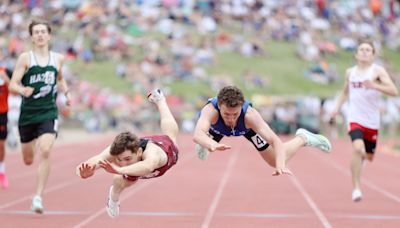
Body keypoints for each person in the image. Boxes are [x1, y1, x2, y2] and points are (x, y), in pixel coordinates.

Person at [76, 89, 179, 218]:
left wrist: (119, 169)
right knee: (120, 180)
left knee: (171, 135)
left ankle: (161, 100)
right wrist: (83, 172)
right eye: (120, 159)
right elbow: (93, 161)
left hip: (167, 152)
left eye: (128, 158)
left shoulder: (154, 153)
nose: (124, 162)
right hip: (133, 159)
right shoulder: (117, 150)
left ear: (139, 152)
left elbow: (147, 167)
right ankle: (113, 198)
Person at [193, 85, 332, 176]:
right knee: (201, 150)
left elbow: (275, 140)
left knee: (273, 160)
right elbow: (197, 133)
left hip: (245, 129)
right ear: (220, 106)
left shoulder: (250, 116)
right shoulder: (211, 111)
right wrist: (211, 144)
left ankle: (303, 138)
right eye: (226, 114)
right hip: (215, 128)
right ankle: (205, 144)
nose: (230, 119)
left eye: (235, 114)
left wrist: (280, 165)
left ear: (241, 107)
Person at [8, 20, 70, 213]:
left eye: (43, 31)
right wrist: (21, 89)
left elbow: (60, 78)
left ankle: (38, 197)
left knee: (45, 150)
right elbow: (12, 84)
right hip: (28, 115)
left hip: (48, 112)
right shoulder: (26, 58)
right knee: (28, 159)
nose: (40, 35)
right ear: (32, 37)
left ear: (49, 36)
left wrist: (66, 93)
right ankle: (31, 143)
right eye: (36, 32)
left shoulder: (58, 59)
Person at [331, 40, 398, 202]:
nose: (364, 52)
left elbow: (394, 91)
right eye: (361, 49)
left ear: (373, 55)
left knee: (367, 156)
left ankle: (362, 159)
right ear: (356, 54)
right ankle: (356, 188)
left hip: (372, 121)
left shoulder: (378, 71)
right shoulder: (350, 73)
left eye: (368, 50)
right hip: (355, 118)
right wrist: (336, 108)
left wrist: (375, 86)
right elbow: (345, 93)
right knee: (357, 148)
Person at [0, 67, 12, 188]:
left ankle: (2, 172)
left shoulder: (5, 71)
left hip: (2, 114)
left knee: (1, 145)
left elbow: (14, 91)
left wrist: (7, 79)